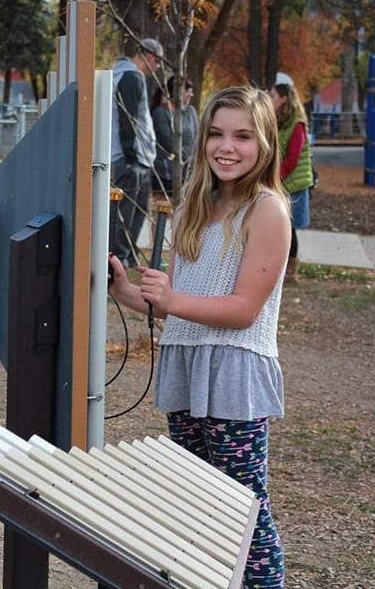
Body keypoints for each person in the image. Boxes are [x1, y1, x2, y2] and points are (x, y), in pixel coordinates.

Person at [109, 86, 290, 588]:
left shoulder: (267, 211)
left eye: (242, 136)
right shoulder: (195, 206)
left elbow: (242, 310)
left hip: (233, 374)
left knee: (242, 506)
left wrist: (170, 301)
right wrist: (125, 290)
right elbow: (180, 307)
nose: (226, 147)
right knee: (198, 501)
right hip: (188, 368)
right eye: (215, 134)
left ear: (266, 144)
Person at [109, 37, 163, 268]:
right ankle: (119, 259)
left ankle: (127, 257)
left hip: (132, 156)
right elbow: (129, 119)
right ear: (150, 56)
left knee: (132, 213)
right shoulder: (132, 77)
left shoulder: (119, 74)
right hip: (131, 158)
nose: (157, 68)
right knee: (127, 213)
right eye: (158, 62)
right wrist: (132, 155)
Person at [269, 72, 314, 284]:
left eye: (273, 96)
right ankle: (281, 267)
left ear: (284, 99)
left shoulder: (296, 123)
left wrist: (275, 178)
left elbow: (293, 158)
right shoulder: (280, 121)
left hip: (294, 183)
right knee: (282, 225)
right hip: (284, 181)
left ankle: (291, 272)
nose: (270, 99)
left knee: (289, 226)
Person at [150, 77, 197, 197]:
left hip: (188, 172)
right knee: (165, 210)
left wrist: (192, 160)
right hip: (165, 173)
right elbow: (168, 142)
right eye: (188, 91)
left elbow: (198, 136)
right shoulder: (160, 113)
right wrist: (184, 157)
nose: (191, 94)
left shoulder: (191, 111)